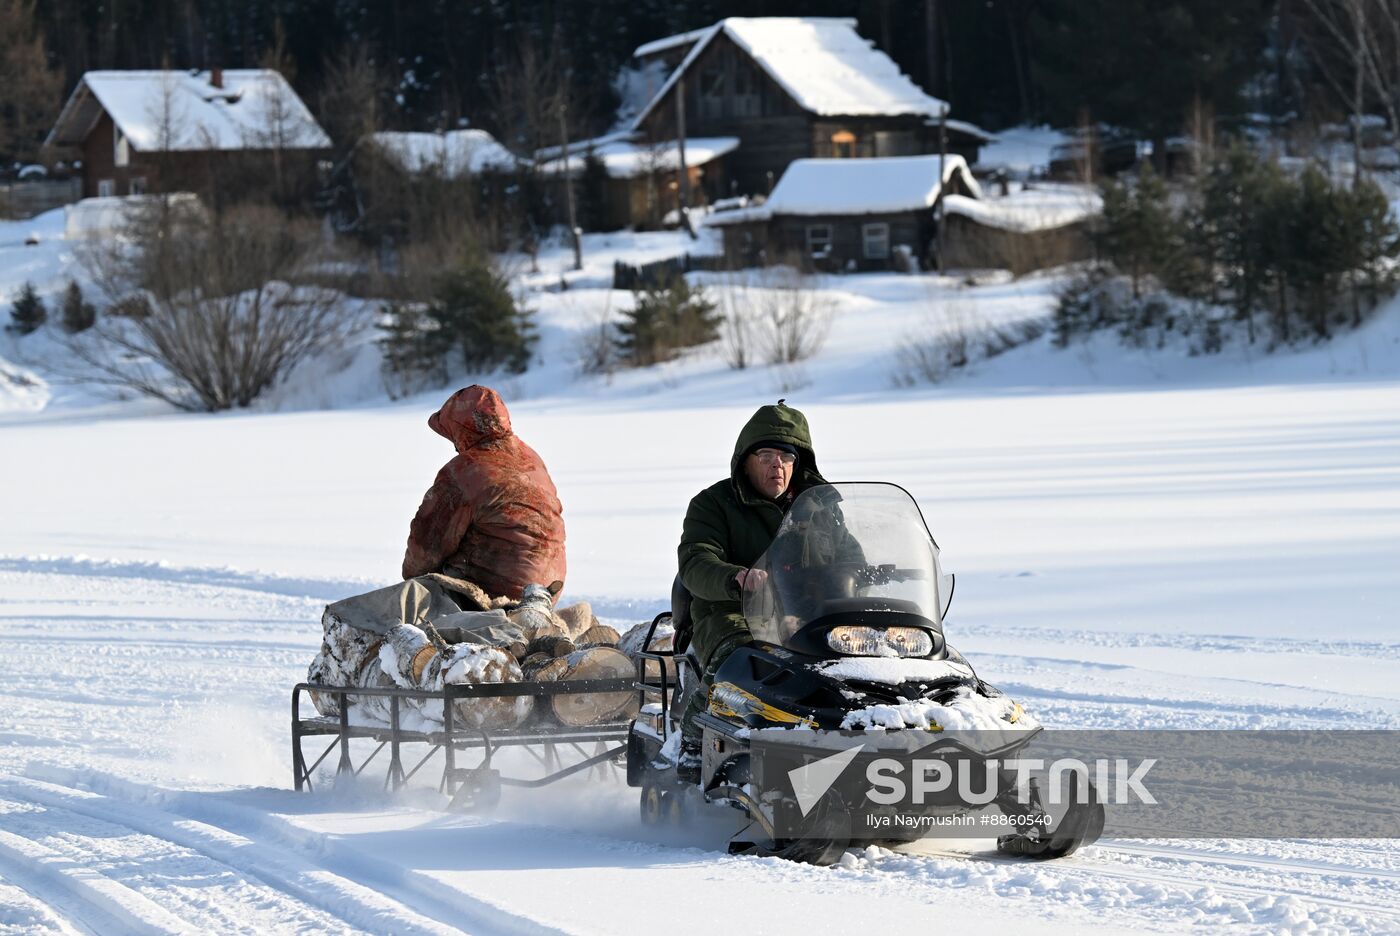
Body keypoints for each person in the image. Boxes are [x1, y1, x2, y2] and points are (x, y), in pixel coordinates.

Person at [675, 400, 826, 767]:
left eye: (787, 457)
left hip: (809, 614)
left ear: (799, 463)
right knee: (740, 659)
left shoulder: (822, 507)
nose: (778, 465)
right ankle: (690, 743)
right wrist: (735, 577)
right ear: (745, 459)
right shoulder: (712, 504)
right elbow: (696, 560)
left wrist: (878, 574)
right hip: (730, 611)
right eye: (767, 454)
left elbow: (850, 557)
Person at [402, 385, 566, 601]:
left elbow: (426, 545)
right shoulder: (531, 458)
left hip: (491, 592)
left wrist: (411, 582)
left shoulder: (465, 470)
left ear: (462, 429)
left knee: (392, 606)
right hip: (547, 589)